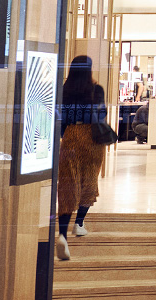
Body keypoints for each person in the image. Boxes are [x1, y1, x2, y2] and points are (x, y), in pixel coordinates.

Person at [56, 55, 107, 260]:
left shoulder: (64, 90)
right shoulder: (97, 90)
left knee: (69, 183)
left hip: (71, 136)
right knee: (89, 181)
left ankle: (62, 234)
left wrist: (65, 135)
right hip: (92, 139)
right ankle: (79, 224)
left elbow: (60, 118)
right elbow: (101, 115)